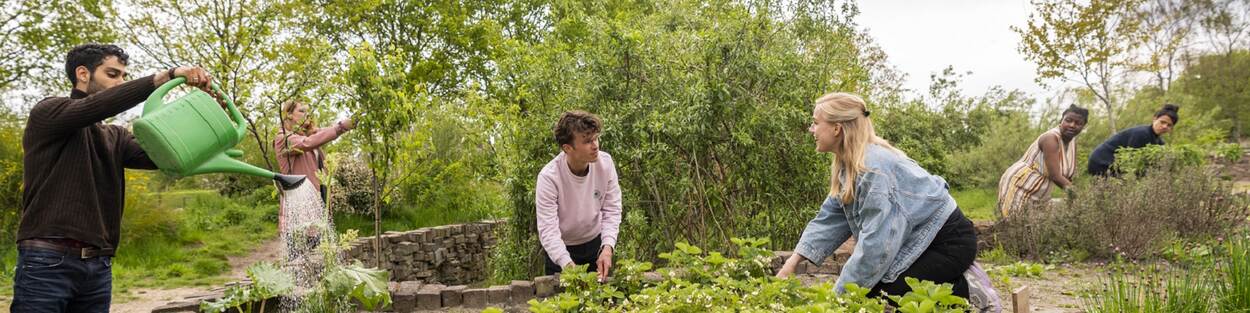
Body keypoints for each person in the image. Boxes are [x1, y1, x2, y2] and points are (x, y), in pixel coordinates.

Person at [13, 43, 217, 312]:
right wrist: (167, 76)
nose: (121, 82)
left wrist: (210, 117)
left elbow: (167, 156)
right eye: (113, 74)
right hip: (47, 260)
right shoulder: (48, 113)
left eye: (124, 76)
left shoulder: (115, 136)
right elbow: (96, 107)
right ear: (83, 74)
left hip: (98, 267)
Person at [775, 92, 978, 301]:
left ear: (837, 128)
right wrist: (790, 265)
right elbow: (828, 219)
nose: (811, 129)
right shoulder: (848, 166)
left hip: (948, 242)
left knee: (882, 295)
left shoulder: (873, 170)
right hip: (917, 238)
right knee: (870, 289)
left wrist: (838, 300)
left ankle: (963, 293)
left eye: (816, 123)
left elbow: (876, 247)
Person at [534, 111, 622, 282]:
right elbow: (548, 230)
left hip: (596, 246)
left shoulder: (605, 164)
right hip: (559, 251)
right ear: (568, 148)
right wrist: (567, 264)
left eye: (596, 138)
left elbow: (612, 209)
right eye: (588, 141)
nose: (595, 145)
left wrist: (608, 247)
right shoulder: (549, 177)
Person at [996, 105, 1089, 218]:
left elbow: (1068, 177)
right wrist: (1083, 197)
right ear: (1061, 121)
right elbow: (1055, 176)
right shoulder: (1051, 139)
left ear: (1083, 126)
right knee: (1016, 226)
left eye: (1078, 123)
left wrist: (1079, 197)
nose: (1072, 125)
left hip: (1040, 194)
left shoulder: (1072, 142)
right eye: (1068, 120)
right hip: (1021, 185)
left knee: (1038, 228)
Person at [1086, 104, 1179, 176]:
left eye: (1169, 125)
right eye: (1162, 122)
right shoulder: (1142, 133)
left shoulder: (1159, 142)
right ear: (1154, 119)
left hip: (1116, 166)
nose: (1164, 126)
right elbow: (1133, 163)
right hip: (1101, 162)